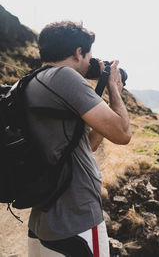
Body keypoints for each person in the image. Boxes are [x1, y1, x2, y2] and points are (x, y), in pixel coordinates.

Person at [25, 21, 131, 256]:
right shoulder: (64, 77)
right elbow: (123, 134)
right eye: (89, 56)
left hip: (45, 218)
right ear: (78, 52)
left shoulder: (33, 81)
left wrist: (102, 117)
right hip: (76, 220)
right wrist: (114, 89)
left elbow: (85, 146)